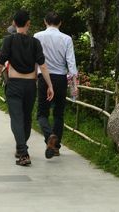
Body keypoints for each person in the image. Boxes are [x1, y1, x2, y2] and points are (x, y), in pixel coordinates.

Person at [0, 10, 54, 166]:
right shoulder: (35, 42)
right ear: (28, 23)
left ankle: (23, 152)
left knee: (17, 118)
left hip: (14, 85)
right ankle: (22, 148)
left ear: (14, 23)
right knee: (26, 118)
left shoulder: (9, 41)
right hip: (30, 86)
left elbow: (0, 64)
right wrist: (50, 85)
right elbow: (43, 66)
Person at [34, 11, 78, 159]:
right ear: (60, 23)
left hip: (43, 77)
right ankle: (56, 147)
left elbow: (35, 60)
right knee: (59, 113)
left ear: (45, 21)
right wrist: (74, 85)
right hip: (60, 78)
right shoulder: (66, 39)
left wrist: (33, 77)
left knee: (42, 113)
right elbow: (71, 63)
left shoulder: (37, 36)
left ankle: (49, 136)